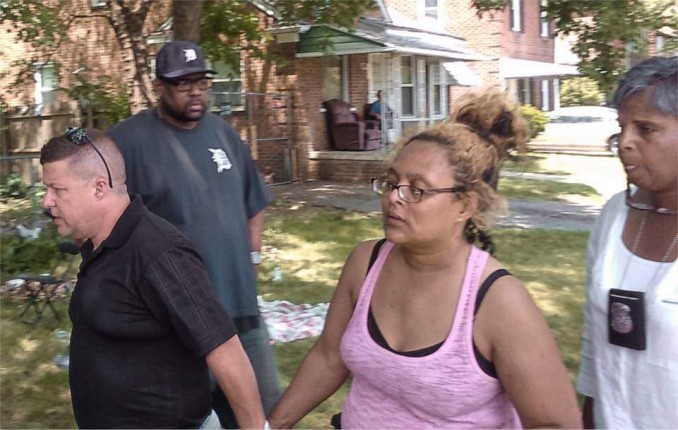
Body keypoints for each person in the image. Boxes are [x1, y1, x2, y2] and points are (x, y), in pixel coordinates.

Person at [268, 88, 581, 429]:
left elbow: (555, 423)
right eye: (391, 184)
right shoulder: (365, 264)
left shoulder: (497, 301)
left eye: (416, 189)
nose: (394, 199)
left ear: (466, 205)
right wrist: (273, 424)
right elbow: (329, 357)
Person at [40, 128, 266, 429]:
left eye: (57, 190)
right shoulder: (101, 244)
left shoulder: (159, 252)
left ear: (98, 188)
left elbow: (224, 348)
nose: (46, 201)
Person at [107, 40, 281, 427]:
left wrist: (251, 260)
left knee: (265, 413)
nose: (195, 91)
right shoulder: (128, 143)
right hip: (178, 323)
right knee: (188, 419)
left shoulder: (225, 135)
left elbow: (255, 205)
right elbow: (104, 222)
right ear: (159, 86)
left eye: (201, 81)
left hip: (240, 311)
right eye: (183, 83)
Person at [577, 56, 678, 429]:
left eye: (646, 129)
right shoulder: (614, 215)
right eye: (622, 127)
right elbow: (593, 344)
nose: (625, 143)